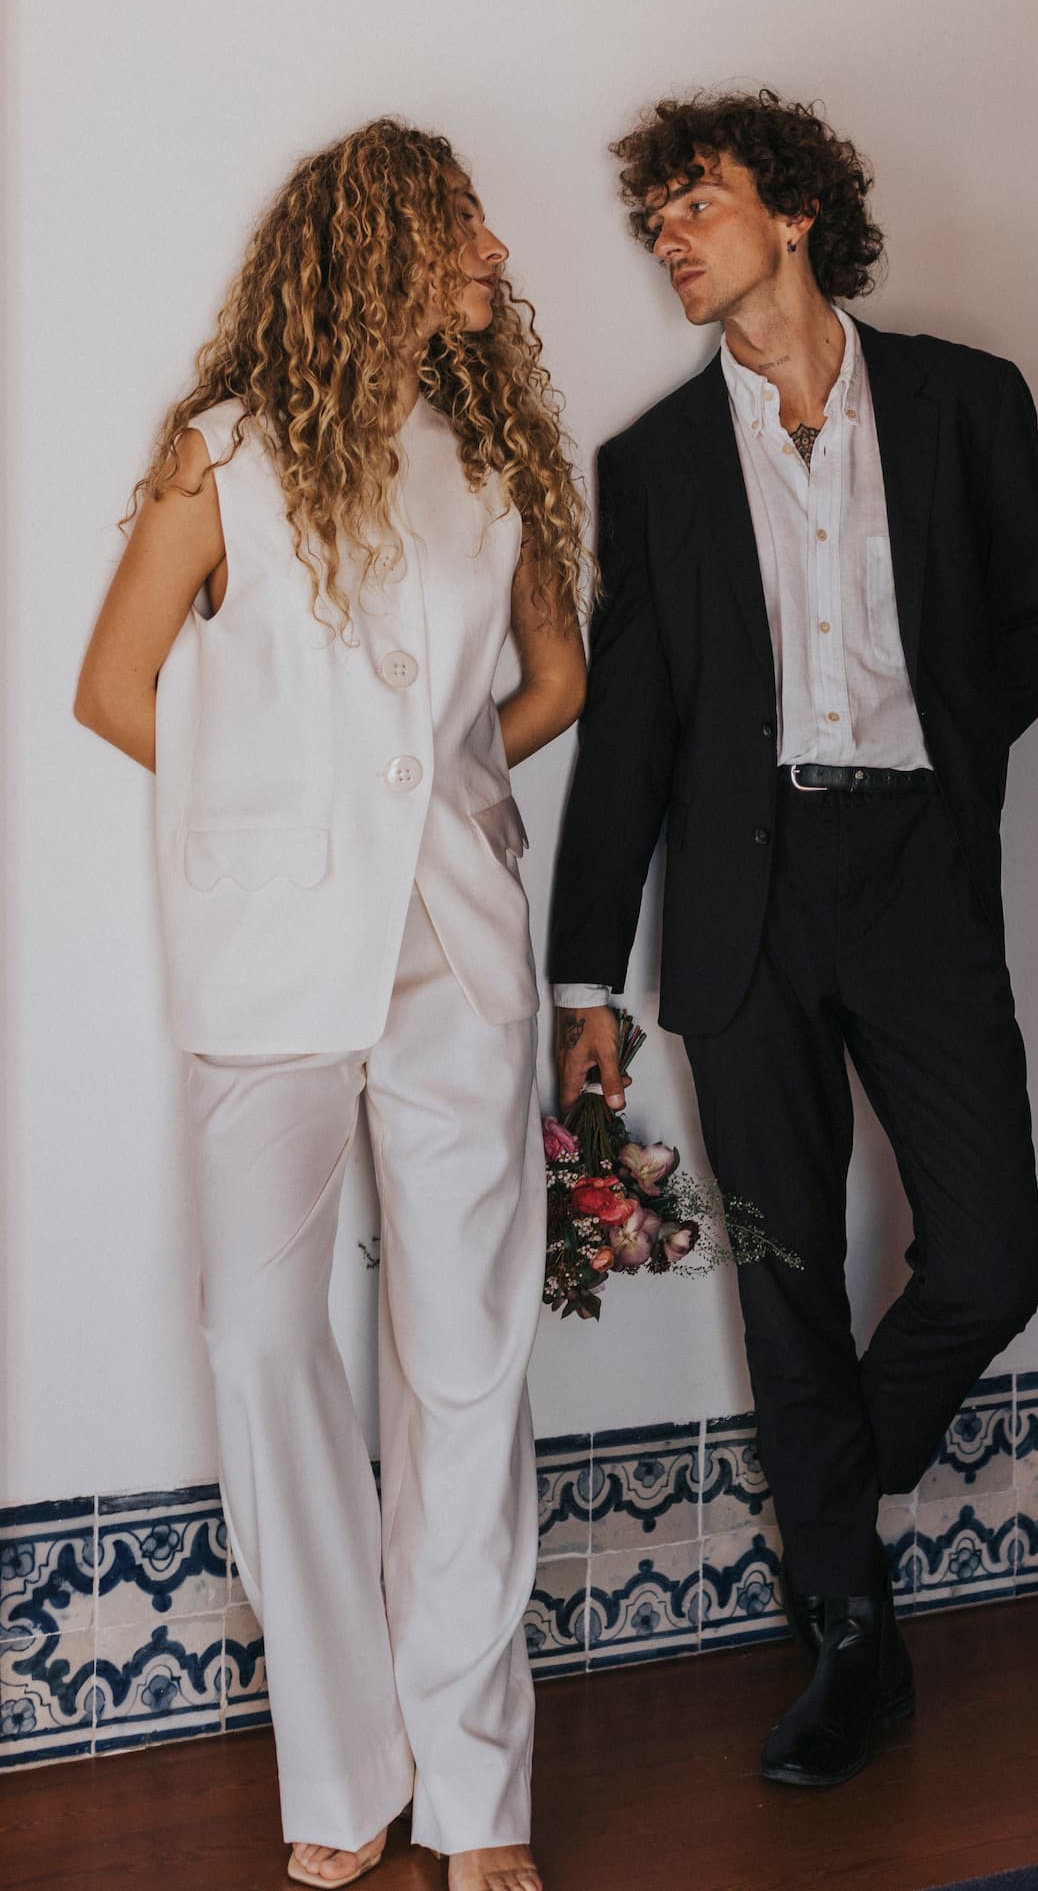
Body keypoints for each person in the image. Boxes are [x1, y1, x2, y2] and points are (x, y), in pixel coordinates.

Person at [75, 117, 586, 1891]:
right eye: (463, 226)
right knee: (262, 1343)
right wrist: (282, 824)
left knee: (464, 1368)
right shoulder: (214, 459)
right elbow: (117, 686)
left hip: (453, 957)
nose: (496, 256)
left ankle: (480, 1797)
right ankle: (344, 1766)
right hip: (269, 964)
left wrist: (429, 803)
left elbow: (556, 677)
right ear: (376, 238)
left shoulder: (495, 455)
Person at [550, 89, 1038, 1789]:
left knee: (990, 1257)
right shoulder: (651, 468)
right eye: (653, 223)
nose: (670, 241)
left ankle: (826, 1518)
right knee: (788, 1283)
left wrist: (946, 754)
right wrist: (590, 983)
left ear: (791, 210)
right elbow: (625, 737)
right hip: (743, 907)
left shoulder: (962, 402)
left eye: (693, 204)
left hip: (920, 866)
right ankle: (853, 1634)